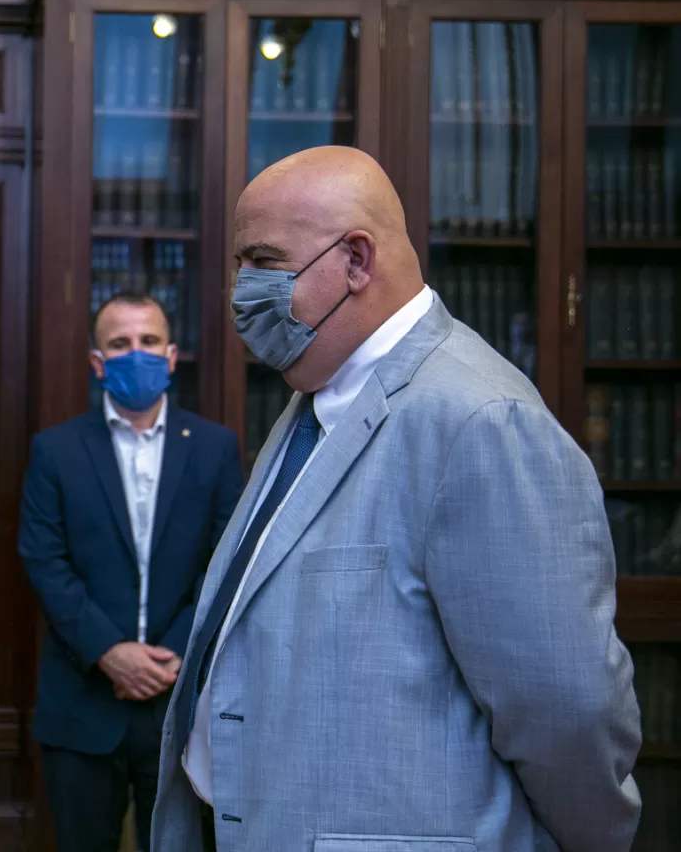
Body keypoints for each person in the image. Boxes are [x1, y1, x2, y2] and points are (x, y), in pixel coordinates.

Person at [152, 145, 643, 852]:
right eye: (239, 265)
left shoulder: (481, 421)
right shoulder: (317, 395)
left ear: (356, 260)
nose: (239, 290)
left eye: (261, 261)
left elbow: (567, 711)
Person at [19, 292, 244, 852]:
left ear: (171, 358)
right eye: (120, 344)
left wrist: (168, 655)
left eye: (148, 342)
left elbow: (227, 562)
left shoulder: (215, 448)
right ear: (98, 363)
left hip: (180, 703)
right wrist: (110, 652)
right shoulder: (56, 450)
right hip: (82, 701)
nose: (135, 354)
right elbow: (44, 561)